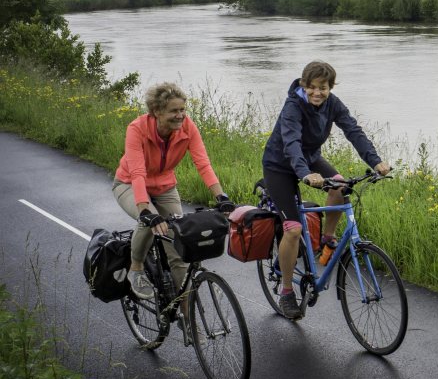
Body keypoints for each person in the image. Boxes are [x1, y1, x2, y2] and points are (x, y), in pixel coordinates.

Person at [262, 61, 391, 319]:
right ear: (303, 85)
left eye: (323, 88)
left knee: (341, 186)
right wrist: (305, 173)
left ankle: (326, 239)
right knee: (294, 228)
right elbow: (291, 143)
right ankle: (287, 291)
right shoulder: (293, 106)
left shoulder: (333, 104)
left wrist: (375, 161)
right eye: (311, 87)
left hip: (309, 159)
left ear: (330, 88)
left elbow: (353, 131)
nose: (317, 93)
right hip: (280, 165)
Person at [112, 82, 234, 316]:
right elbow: (137, 172)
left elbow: (203, 163)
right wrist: (145, 210)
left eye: (183, 110)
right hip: (129, 183)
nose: (180, 116)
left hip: (165, 186)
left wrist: (221, 196)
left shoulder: (188, 128)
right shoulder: (137, 129)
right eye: (174, 111)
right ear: (157, 112)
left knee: (179, 248)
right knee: (148, 223)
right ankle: (136, 268)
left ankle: (187, 314)